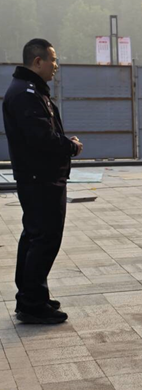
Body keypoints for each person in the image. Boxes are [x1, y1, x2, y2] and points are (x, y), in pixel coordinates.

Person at [2, 39, 83, 324]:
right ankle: (32, 304)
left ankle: (31, 295)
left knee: (35, 237)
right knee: (44, 240)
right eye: (53, 59)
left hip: (40, 177)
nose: (56, 65)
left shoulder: (30, 90)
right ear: (38, 61)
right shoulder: (26, 94)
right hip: (40, 179)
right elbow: (41, 139)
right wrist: (71, 146)